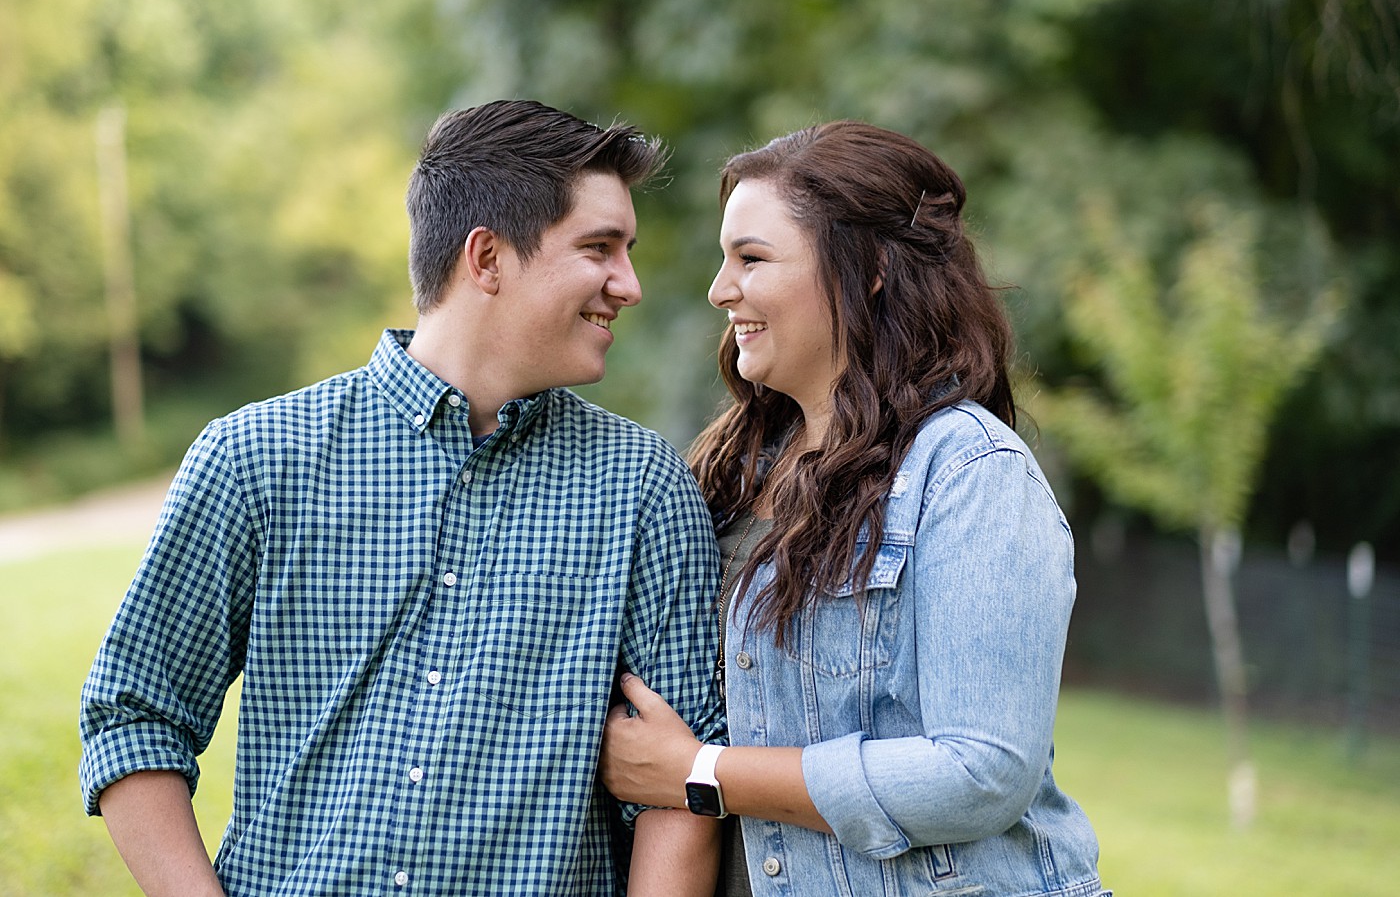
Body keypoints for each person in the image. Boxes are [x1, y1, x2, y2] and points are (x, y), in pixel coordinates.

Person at [79, 100, 725, 896]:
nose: (628, 284)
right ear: (486, 258)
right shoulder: (256, 458)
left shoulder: (642, 488)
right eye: (600, 248)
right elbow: (135, 715)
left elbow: (683, 788)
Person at [600, 121, 1109, 896]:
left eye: (752, 258)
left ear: (867, 269)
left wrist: (704, 772)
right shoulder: (733, 469)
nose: (719, 288)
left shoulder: (969, 470)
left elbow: (983, 769)